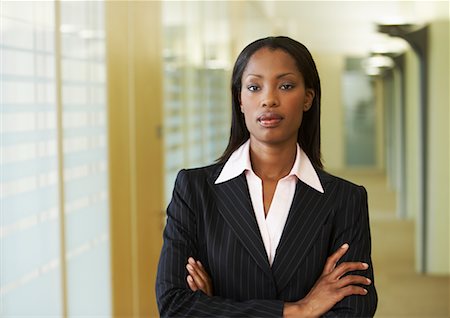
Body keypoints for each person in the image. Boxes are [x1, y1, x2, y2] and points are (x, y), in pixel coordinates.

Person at [156, 36, 377, 317]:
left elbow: (354, 310)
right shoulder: (194, 190)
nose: (269, 99)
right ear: (240, 100)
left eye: (285, 86)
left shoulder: (345, 199)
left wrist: (215, 307)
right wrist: (300, 309)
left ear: (308, 98)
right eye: (254, 87)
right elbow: (174, 305)